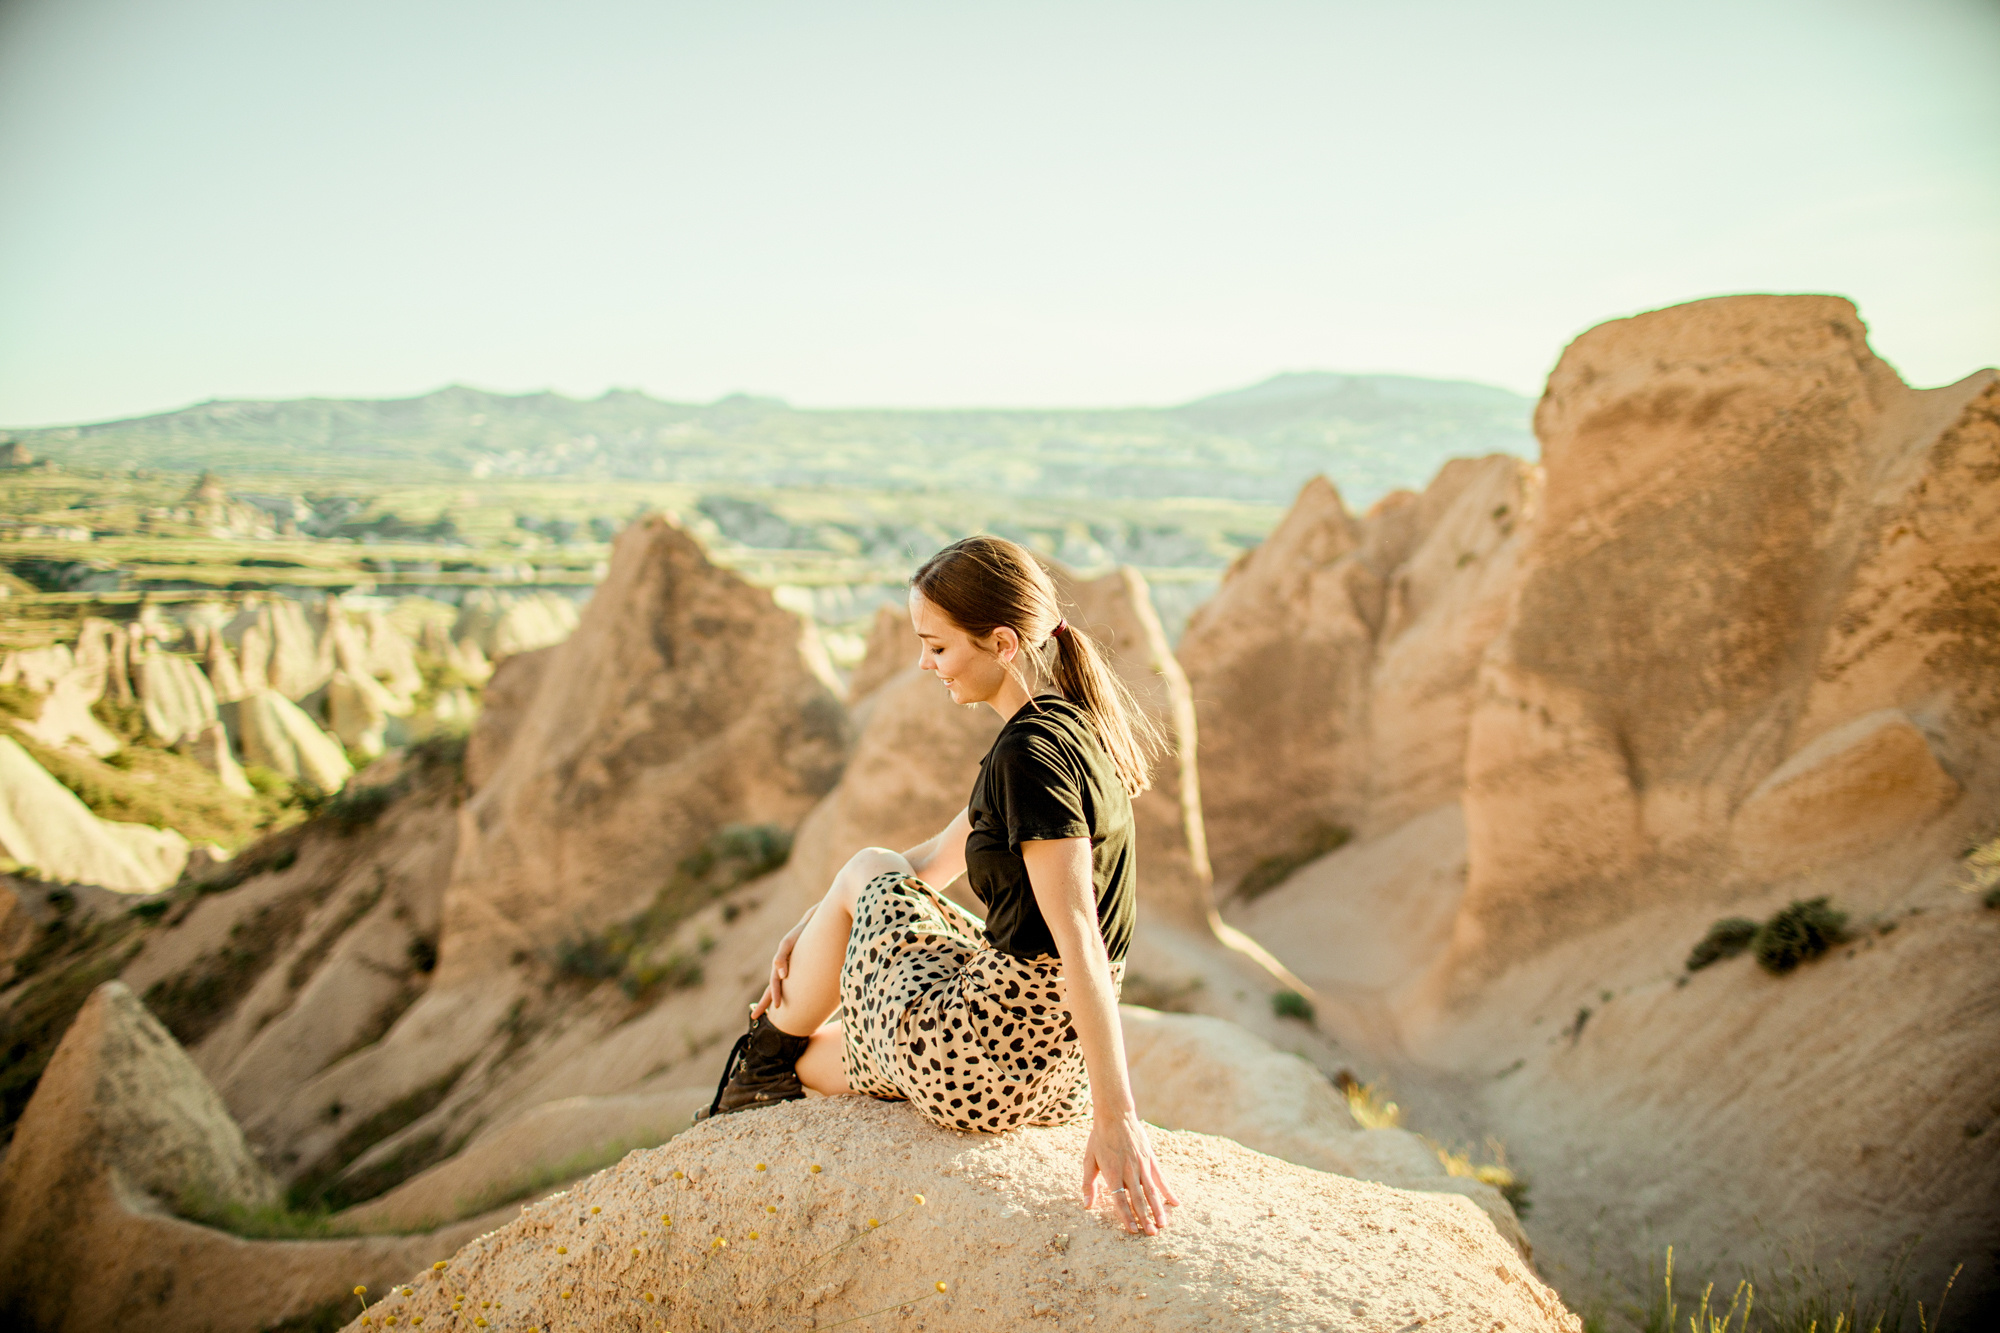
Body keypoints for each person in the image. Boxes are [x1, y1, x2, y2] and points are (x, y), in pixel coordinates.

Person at [697, 535, 1180, 1235]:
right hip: (1049, 1073)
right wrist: (811, 923)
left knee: (867, 864)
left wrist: (1120, 1120)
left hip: (989, 1050)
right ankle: (773, 1065)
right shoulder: (1069, 726)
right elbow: (927, 866)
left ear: (1004, 643)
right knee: (814, 1050)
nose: (925, 663)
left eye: (939, 646)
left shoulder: (1028, 757)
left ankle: (755, 1062)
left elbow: (1079, 937)